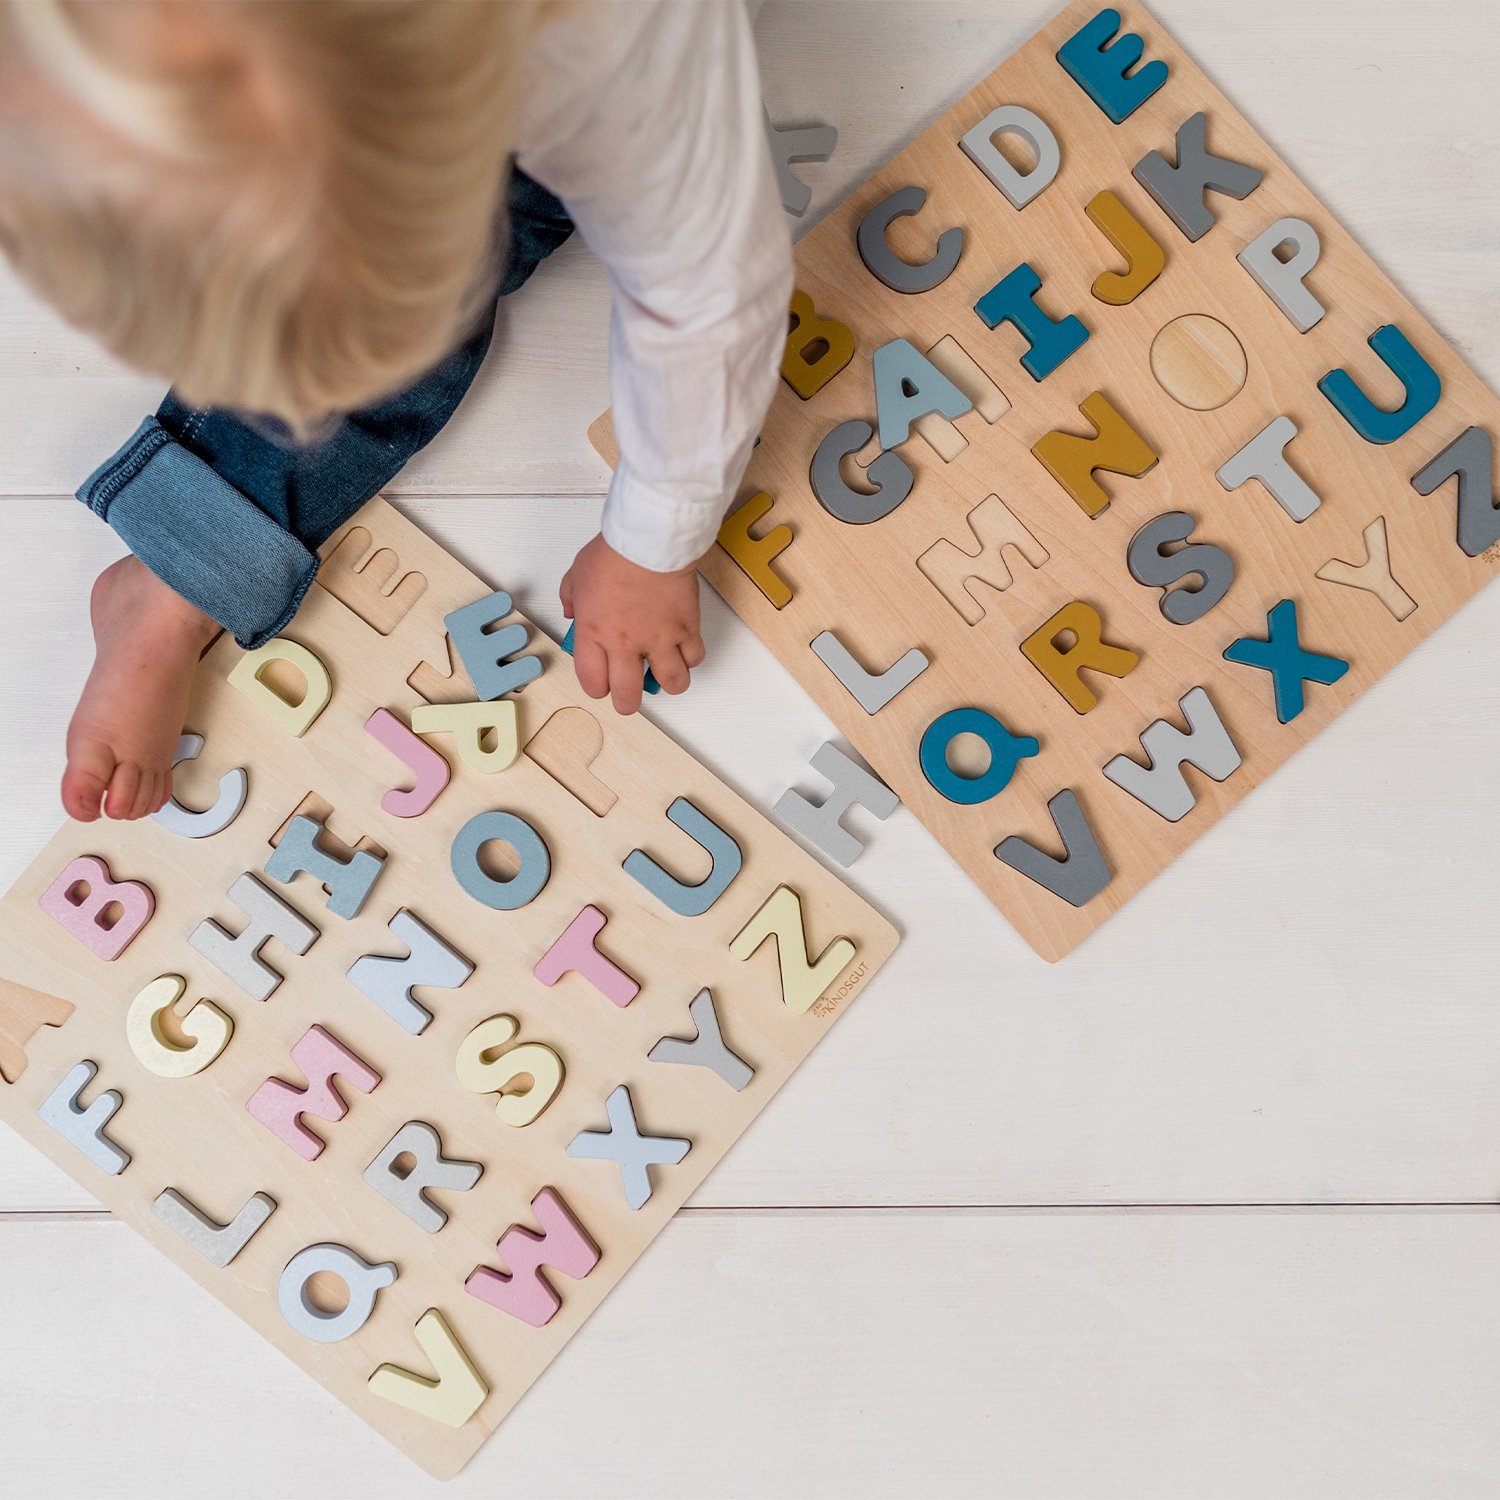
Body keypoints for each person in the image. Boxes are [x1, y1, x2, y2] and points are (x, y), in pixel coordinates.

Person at [0, 0, 793, 822]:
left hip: (546, 101)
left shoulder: (628, 78)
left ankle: (189, 559)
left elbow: (712, 308)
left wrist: (651, 547)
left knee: (405, 325)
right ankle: (174, 575)